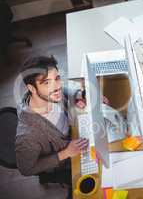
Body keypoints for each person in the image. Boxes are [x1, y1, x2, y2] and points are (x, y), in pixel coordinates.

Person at [15, 56, 107, 197]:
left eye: (57, 78)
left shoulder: (52, 95)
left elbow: (64, 91)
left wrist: (79, 95)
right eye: (46, 83)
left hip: (75, 135)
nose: (56, 86)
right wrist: (65, 153)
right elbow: (26, 169)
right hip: (65, 159)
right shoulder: (27, 135)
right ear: (32, 88)